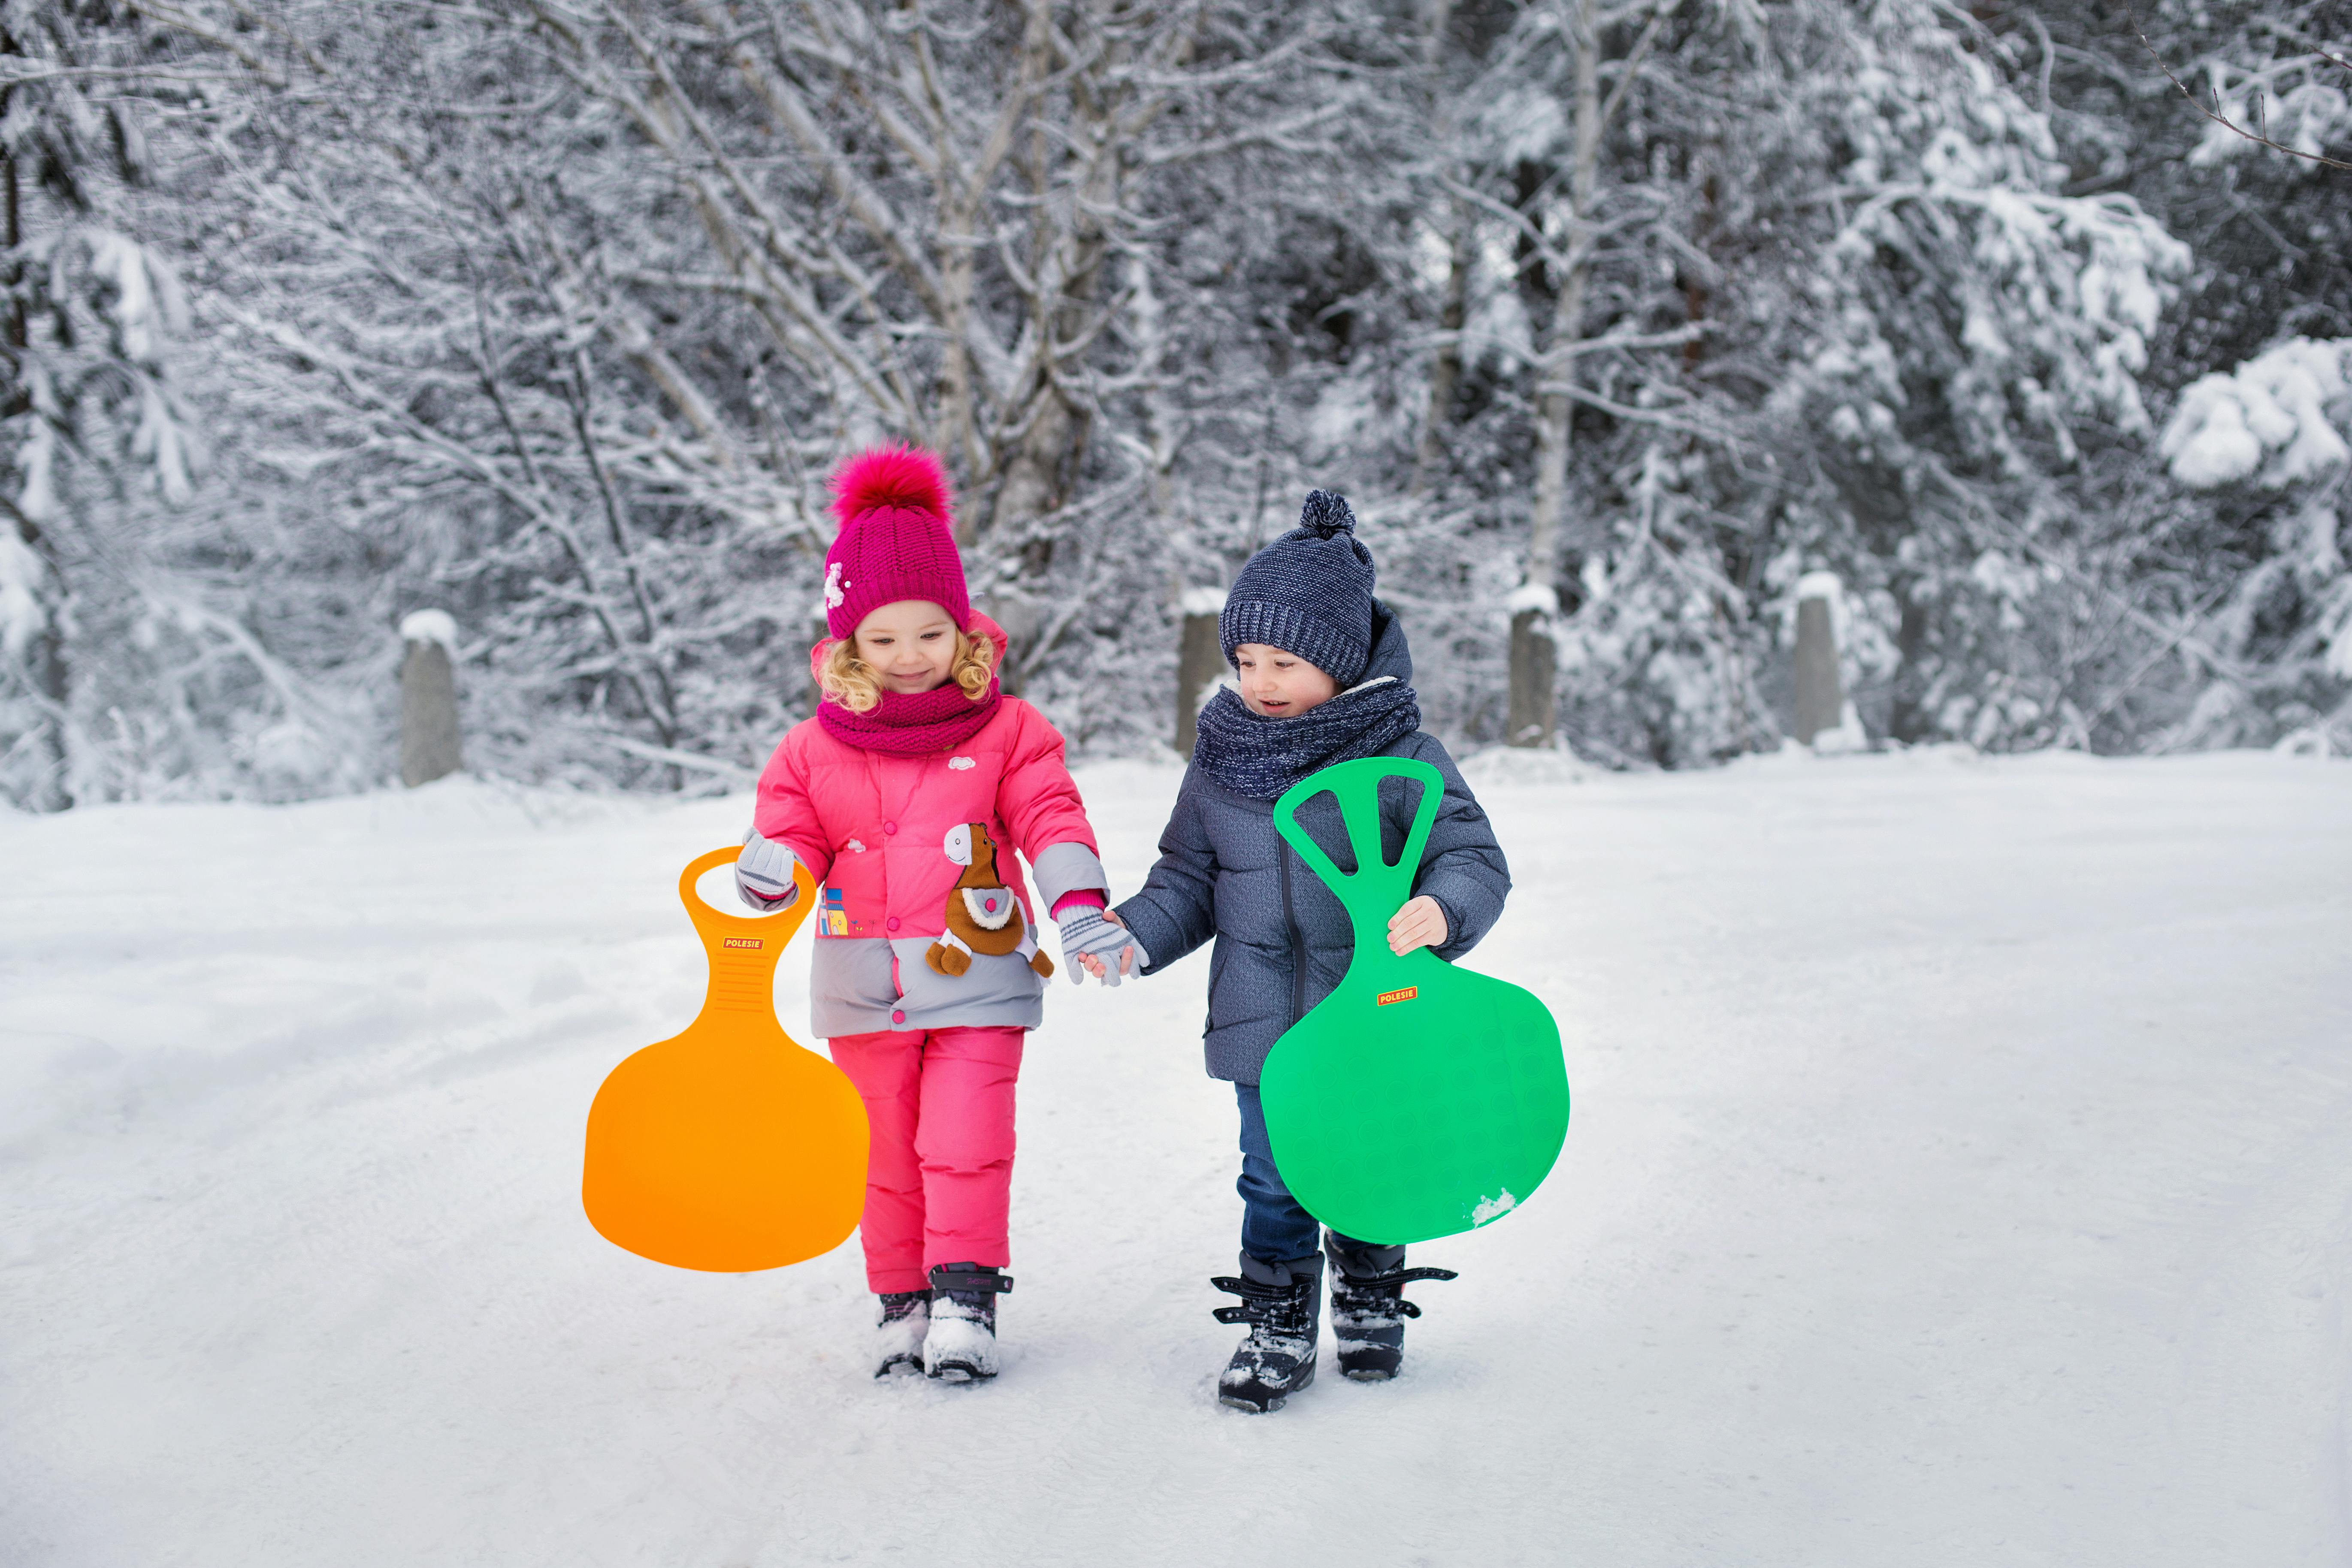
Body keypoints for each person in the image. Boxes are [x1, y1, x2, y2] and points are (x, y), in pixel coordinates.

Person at [1074, 490, 1512, 1412]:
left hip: (1374, 1013)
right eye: (1244, 659)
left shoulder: (1400, 753)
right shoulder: (1222, 759)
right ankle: (1277, 1323)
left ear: (1341, 662)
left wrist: (1441, 909)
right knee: (1274, 1174)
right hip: (1264, 1019)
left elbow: (1470, 856)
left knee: (1367, 1153)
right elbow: (1186, 878)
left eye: (1285, 660)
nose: (1260, 679)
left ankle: (1366, 1285)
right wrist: (1135, 932)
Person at [737, 445, 1125, 1383]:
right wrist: (769, 871)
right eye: (882, 637)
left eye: (928, 632)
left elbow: (1049, 812)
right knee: (881, 1150)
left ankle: (963, 1297)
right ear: (844, 647)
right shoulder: (807, 750)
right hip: (861, 984)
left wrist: (1076, 901)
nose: (909, 656)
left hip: (978, 972)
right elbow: (789, 839)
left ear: (963, 630)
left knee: (966, 1139)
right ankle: (899, 1299)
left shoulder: (1008, 729)